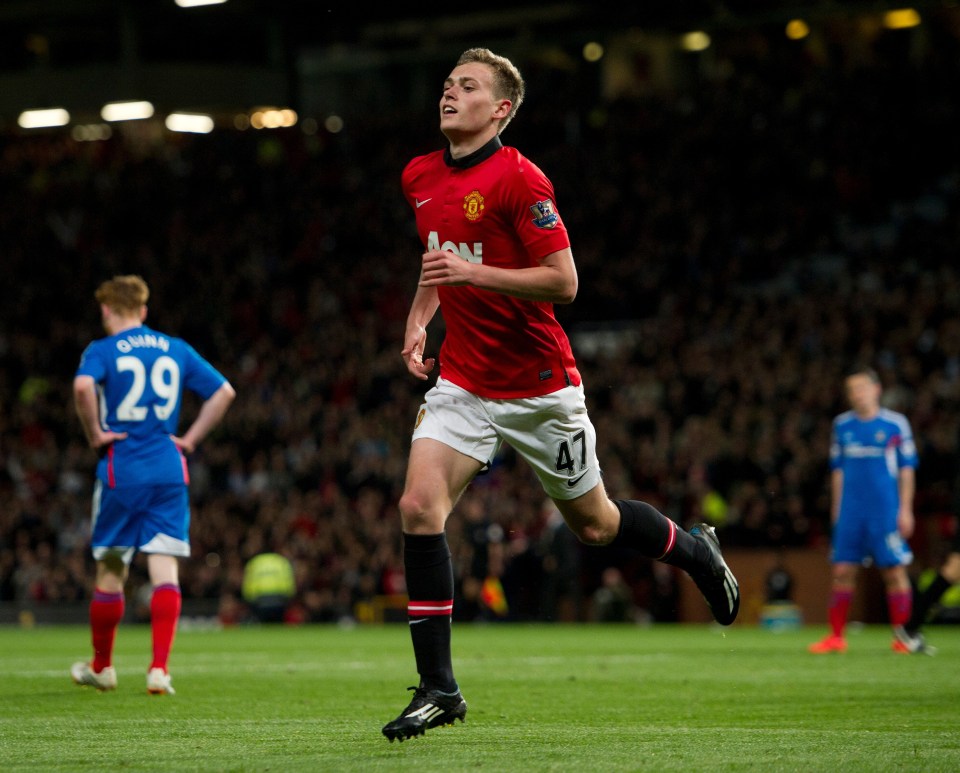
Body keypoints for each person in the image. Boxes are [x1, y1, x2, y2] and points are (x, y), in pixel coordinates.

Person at [381, 47, 739, 743]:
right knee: (418, 507)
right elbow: (439, 255)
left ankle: (695, 551)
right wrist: (421, 317)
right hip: (461, 381)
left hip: (539, 387)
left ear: (501, 109)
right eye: (449, 83)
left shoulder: (520, 179)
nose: (450, 93)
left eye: (469, 86)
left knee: (597, 526)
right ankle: (439, 688)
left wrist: (469, 276)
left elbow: (564, 281)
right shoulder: (419, 175)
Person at [70, 275, 235, 694]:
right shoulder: (174, 348)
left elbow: (83, 386)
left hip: (120, 469)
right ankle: (159, 669)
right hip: (167, 468)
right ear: (143, 311)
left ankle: (103, 667)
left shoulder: (101, 350)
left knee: (111, 568)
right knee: (165, 569)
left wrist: (94, 433)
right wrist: (192, 438)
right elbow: (224, 392)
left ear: (106, 310)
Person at [808, 366, 917, 655]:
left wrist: (906, 509)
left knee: (894, 572)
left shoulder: (895, 424)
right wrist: (837, 509)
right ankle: (836, 637)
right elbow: (838, 472)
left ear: (876, 389)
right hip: (851, 512)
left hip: (885, 510)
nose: (857, 394)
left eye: (861, 388)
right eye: (852, 390)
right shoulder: (842, 425)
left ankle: (903, 636)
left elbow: (907, 470)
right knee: (843, 570)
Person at [242, 551, 297, 623]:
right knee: (278, 624)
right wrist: (288, 598)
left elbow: (248, 585)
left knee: (263, 625)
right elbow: (289, 583)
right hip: (279, 599)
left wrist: (249, 600)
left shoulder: (254, 562)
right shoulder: (281, 561)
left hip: (260, 600)